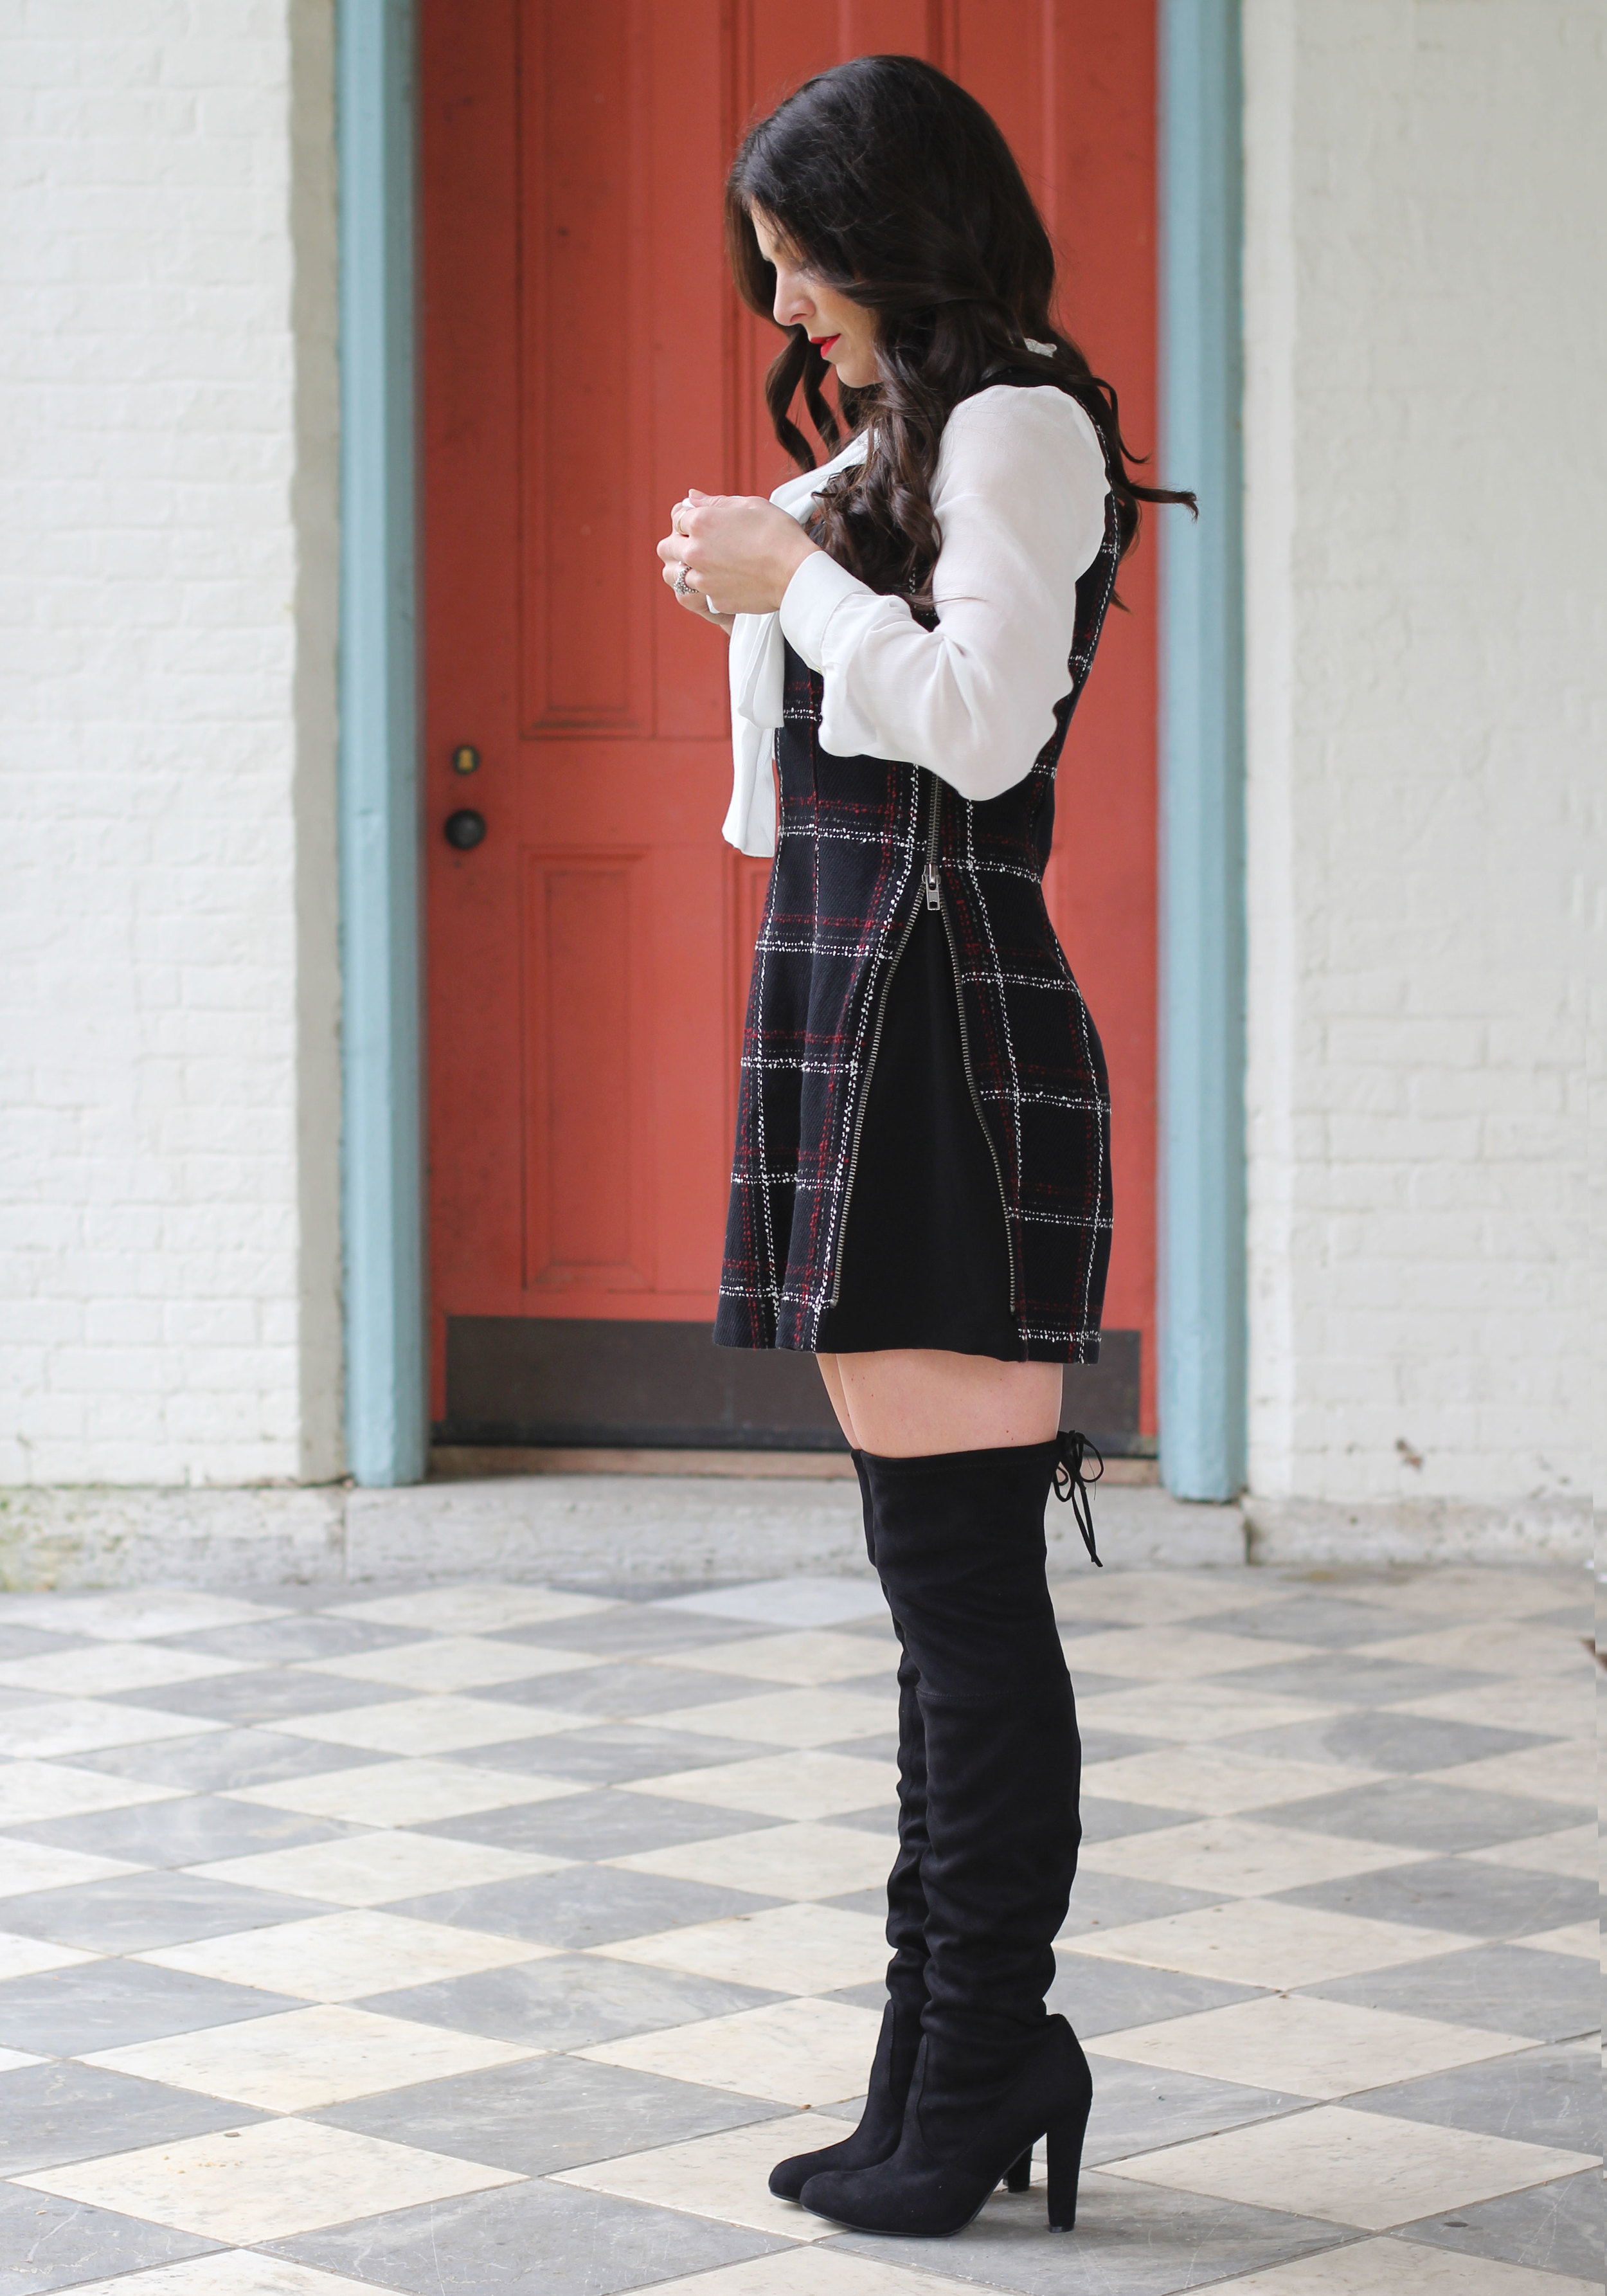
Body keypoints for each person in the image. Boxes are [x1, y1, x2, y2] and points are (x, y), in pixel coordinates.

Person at [656, 54, 1192, 2240]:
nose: (779, 295)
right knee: (929, 1595)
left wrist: (788, 574)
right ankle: (938, 2053)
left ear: (896, 230)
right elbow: (809, 773)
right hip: (862, 1003)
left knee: (965, 1602)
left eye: (800, 250)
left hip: (944, 1020)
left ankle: (978, 2059)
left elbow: (981, 732)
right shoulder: (913, 434)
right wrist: (779, 571)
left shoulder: (1018, 425)